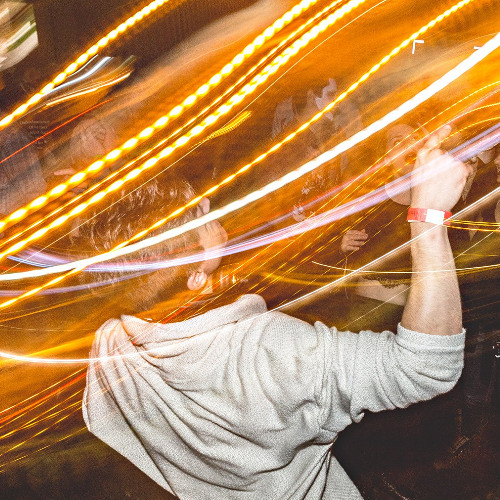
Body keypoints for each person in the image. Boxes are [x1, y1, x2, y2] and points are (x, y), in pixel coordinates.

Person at [83, 127, 471, 499]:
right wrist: (428, 218)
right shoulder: (271, 351)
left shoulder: (111, 346)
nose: (206, 203)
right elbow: (425, 367)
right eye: (195, 216)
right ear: (195, 276)